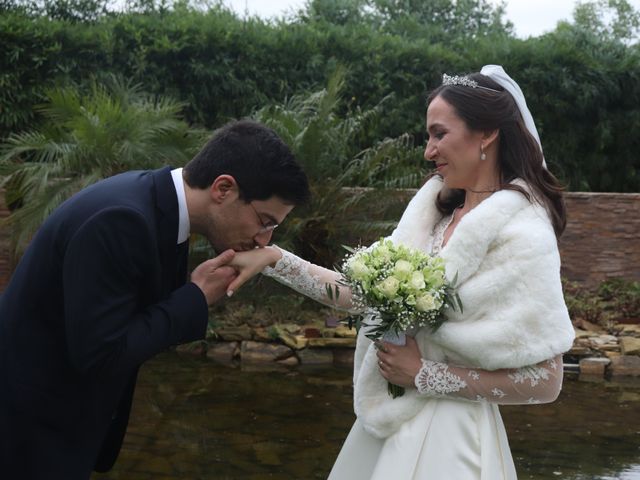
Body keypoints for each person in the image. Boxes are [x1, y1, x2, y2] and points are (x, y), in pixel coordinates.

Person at [225, 66, 575, 479]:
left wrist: (424, 374)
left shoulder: (523, 233)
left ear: (487, 133)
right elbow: (362, 295)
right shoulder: (431, 215)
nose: (428, 151)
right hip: (387, 425)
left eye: (439, 134)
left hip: (454, 440)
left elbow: (545, 381)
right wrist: (274, 260)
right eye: (429, 136)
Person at [0, 119, 310, 479]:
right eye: (265, 221)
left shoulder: (156, 204)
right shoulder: (121, 221)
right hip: (25, 434)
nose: (264, 240)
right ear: (223, 188)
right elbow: (101, 354)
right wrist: (195, 297)